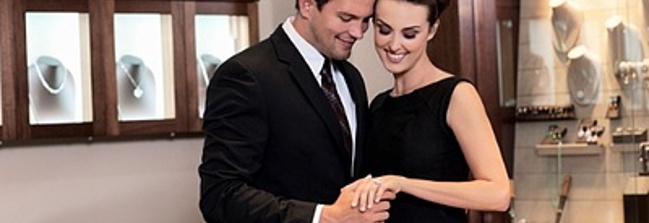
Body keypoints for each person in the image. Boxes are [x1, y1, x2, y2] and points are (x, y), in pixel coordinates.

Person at [198, 0, 392, 222]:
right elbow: (220, 196)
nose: (358, 32)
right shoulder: (246, 75)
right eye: (346, 18)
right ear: (307, 5)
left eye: (365, 20)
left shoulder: (351, 77)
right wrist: (323, 217)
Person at [349, 0, 511, 222]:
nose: (394, 45)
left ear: (432, 30)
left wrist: (402, 183)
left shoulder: (457, 95)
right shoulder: (378, 106)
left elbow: (498, 194)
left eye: (410, 34)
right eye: (384, 30)